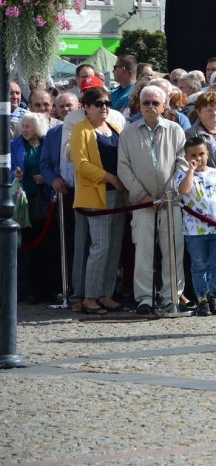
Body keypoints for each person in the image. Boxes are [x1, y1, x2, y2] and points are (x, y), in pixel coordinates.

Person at [117, 85, 188, 315]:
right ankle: (144, 298)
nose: (150, 107)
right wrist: (143, 196)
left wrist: (169, 193)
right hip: (142, 202)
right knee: (143, 251)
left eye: (155, 103)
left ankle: (171, 296)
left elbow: (182, 163)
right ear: (139, 105)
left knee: (173, 250)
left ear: (164, 105)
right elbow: (123, 167)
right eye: (146, 102)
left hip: (170, 201)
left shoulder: (176, 130)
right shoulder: (128, 132)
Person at [70, 87, 127, 315]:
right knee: (100, 246)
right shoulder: (80, 130)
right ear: (86, 107)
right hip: (98, 194)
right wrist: (110, 177)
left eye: (106, 103)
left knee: (114, 247)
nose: (104, 107)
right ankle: (90, 296)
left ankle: (106, 293)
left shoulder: (113, 127)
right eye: (98, 103)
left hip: (118, 193)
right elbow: (81, 164)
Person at [177, 136, 216, 316]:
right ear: (186, 157)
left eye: (201, 154)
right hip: (194, 231)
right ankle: (201, 297)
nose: (198, 158)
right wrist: (190, 171)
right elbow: (184, 191)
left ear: (207, 154)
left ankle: (214, 294)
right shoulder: (183, 175)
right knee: (199, 264)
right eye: (193, 155)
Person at [39, 92, 81, 308]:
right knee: (64, 242)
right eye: (61, 106)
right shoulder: (53, 134)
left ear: (79, 106)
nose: (66, 110)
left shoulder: (87, 130)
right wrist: (52, 179)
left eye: (69, 106)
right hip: (62, 195)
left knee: (82, 243)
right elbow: (44, 163)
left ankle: (80, 287)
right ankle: (65, 287)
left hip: (84, 193)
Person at [12, 113, 58, 303]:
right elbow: (8, 167)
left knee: (46, 246)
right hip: (24, 200)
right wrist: (15, 174)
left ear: (37, 128)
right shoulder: (15, 145)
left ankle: (45, 288)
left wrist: (44, 177)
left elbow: (52, 165)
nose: (25, 130)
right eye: (23, 126)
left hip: (45, 200)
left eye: (29, 126)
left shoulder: (46, 144)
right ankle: (26, 288)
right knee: (26, 248)